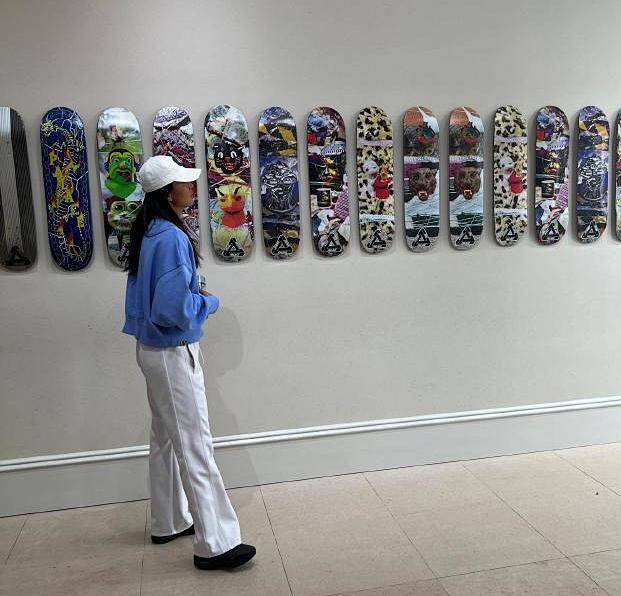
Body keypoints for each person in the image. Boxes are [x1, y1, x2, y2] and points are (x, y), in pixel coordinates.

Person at [122, 155, 256, 570]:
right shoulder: (171, 238)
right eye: (184, 182)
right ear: (167, 193)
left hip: (152, 350)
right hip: (172, 351)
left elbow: (144, 301)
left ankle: (169, 520)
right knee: (195, 444)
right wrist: (208, 302)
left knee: (165, 437)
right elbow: (173, 310)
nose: (191, 187)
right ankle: (215, 544)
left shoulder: (148, 231)